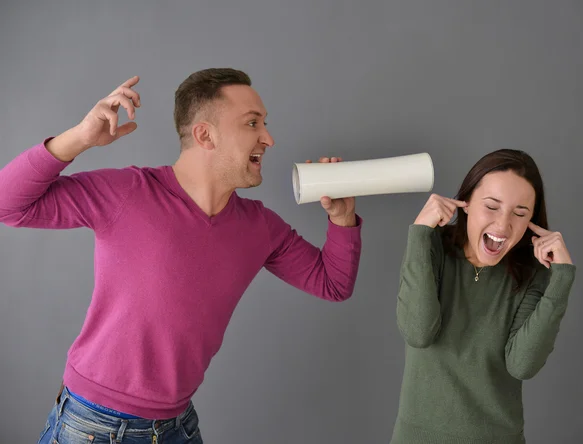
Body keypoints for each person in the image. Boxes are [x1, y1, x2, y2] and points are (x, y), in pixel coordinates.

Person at [0, 69, 362, 444]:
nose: (268, 138)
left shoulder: (260, 227)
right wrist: (78, 138)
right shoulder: (129, 192)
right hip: (93, 426)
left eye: (264, 124)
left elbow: (332, 283)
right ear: (205, 134)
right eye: (252, 123)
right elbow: (7, 205)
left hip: (176, 427)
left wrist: (342, 217)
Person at [390, 149, 576, 443]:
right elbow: (418, 331)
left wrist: (562, 278)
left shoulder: (534, 274)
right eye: (492, 206)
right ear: (465, 202)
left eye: (519, 213)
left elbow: (522, 365)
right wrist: (419, 233)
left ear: (531, 221)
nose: (503, 226)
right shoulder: (432, 247)